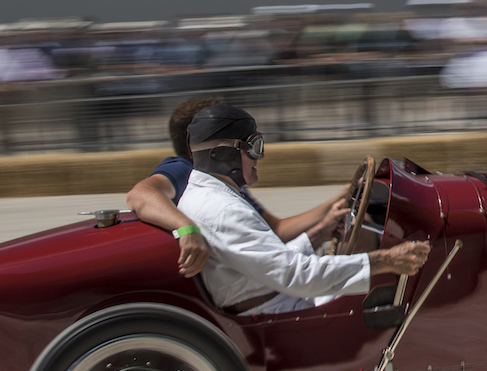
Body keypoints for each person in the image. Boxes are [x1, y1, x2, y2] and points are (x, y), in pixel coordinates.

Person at [175, 104, 429, 316]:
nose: (259, 157)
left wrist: (319, 233)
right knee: (409, 299)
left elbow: (269, 263)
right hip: (281, 312)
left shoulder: (207, 194)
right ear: (223, 154)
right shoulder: (224, 210)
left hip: (276, 299)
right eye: (254, 147)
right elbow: (296, 277)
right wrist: (385, 260)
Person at [125, 97, 353, 277]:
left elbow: (277, 230)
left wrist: (338, 201)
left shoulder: (225, 181)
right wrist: (186, 228)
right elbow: (140, 194)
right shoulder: (185, 168)